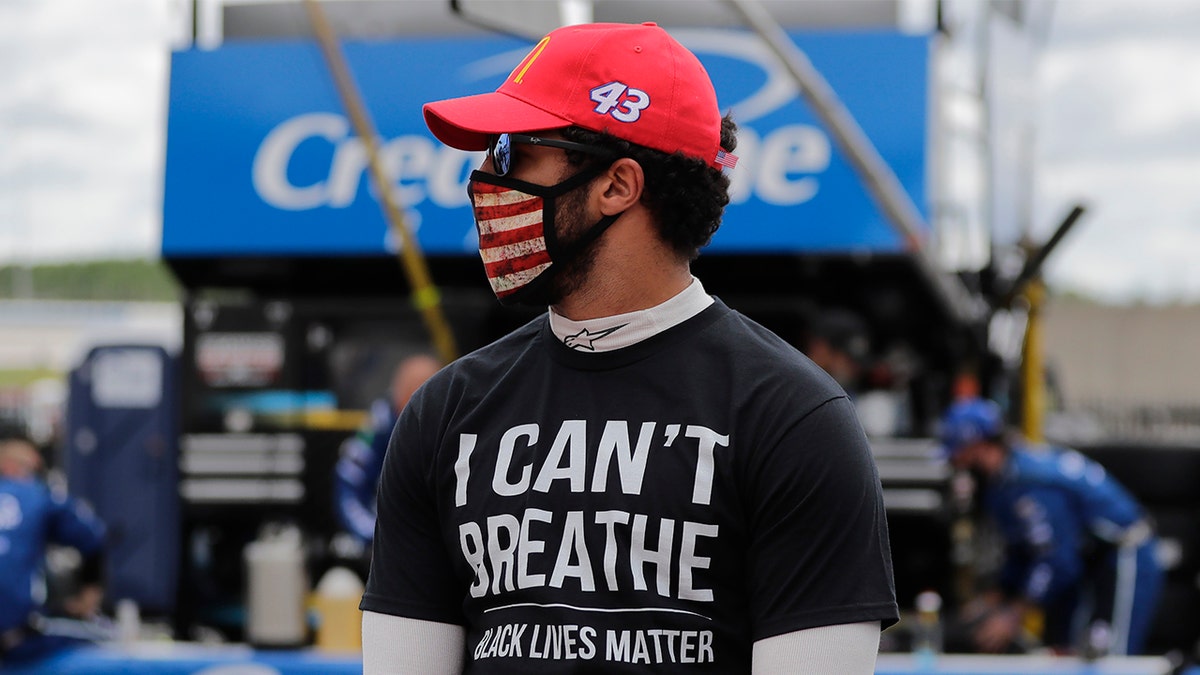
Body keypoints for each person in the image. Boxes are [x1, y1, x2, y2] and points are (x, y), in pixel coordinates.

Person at [360, 22, 898, 674]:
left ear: (618, 185)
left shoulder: (793, 421)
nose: (480, 180)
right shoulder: (443, 413)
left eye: (509, 152)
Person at [940, 397, 1163, 656]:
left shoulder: (1030, 482)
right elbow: (1023, 550)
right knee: (1071, 650)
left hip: (1123, 554)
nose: (957, 463)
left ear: (977, 446)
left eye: (960, 453)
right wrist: (996, 596)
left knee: (1111, 656)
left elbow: (1056, 559)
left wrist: (1011, 617)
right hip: (1089, 559)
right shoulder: (1004, 482)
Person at [0, 433, 109, 665]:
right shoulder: (38, 495)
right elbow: (94, 539)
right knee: (106, 637)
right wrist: (87, 599)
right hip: (17, 640)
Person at [334, 354, 442, 546]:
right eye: (413, 391)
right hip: (387, 540)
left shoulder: (450, 424)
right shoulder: (379, 423)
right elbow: (349, 485)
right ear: (399, 392)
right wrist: (376, 537)